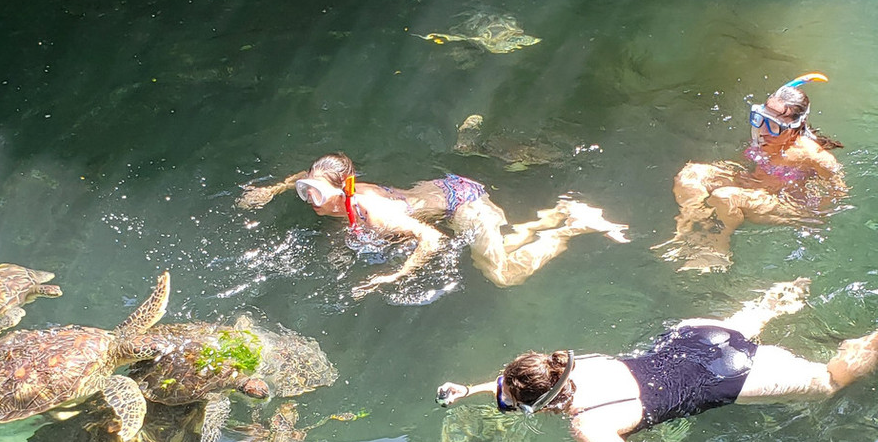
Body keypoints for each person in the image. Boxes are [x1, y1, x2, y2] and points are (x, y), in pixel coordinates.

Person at [435, 277, 878, 442]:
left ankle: (868, 346)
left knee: (828, 382)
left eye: (514, 404)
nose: (506, 402)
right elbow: (518, 380)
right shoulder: (570, 363)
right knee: (755, 316)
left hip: (726, 377)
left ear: (547, 402)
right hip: (698, 335)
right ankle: (793, 289)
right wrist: (469, 390)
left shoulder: (587, 425)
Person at [236, 153, 629, 297]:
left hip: (462, 204)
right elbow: (302, 176)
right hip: (433, 194)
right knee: (498, 248)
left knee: (503, 275)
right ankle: (554, 214)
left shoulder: (375, 211)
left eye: (317, 195)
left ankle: (570, 226)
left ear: (345, 189)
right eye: (306, 191)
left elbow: (432, 240)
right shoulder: (329, 188)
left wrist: (395, 276)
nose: (310, 202)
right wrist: (274, 190)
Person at [658, 73, 847, 273]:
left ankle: (717, 248)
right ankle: (689, 229)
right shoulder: (763, 137)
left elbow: (838, 190)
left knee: (725, 197)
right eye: (760, 119)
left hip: (782, 203)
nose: (763, 130)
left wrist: (809, 216)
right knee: (691, 173)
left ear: (793, 129)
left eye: (774, 126)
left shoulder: (813, 155)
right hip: (753, 187)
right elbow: (747, 163)